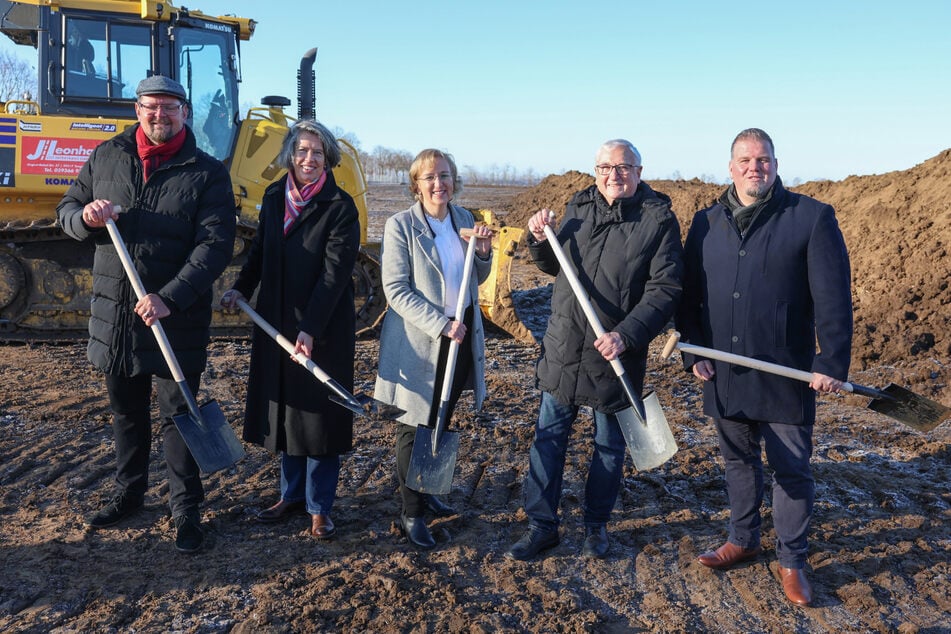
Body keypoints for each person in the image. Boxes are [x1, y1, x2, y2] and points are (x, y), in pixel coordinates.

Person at [56, 75, 236, 553]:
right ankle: (129, 492)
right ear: (137, 110)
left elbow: (214, 247)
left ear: (185, 112)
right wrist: (85, 219)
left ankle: (186, 509)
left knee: (181, 415)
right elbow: (68, 208)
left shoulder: (207, 171)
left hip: (173, 316)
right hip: (116, 313)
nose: (160, 115)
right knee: (125, 412)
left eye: (170, 108)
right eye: (151, 107)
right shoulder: (107, 156)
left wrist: (169, 297)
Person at [675, 128, 853, 606]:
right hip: (723, 370)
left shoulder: (810, 217)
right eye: (746, 160)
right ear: (730, 167)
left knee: (791, 469)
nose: (756, 167)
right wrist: (694, 353)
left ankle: (792, 561)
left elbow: (834, 299)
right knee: (738, 461)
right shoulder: (706, 222)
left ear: (775, 164)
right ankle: (743, 538)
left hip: (785, 371)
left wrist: (830, 362)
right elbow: (687, 297)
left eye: (764, 159)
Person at [505, 139, 684, 561]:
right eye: (605, 167)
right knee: (548, 439)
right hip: (566, 344)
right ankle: (541, 525)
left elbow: (665, 290)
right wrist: (538, 238)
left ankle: (595, 526)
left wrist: (627, 334)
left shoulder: (657, 221)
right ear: (595, 170)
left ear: (639, 172)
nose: (613, 175)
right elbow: (555, 264)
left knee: (609, 444)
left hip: (614, 352)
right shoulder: (579, 207)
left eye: (623, 167)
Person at [220, 119, 360, 540]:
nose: (309, 159)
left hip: (324, 328)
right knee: (286, 412)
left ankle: (320, 507)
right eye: (301, 151)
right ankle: (291, 495)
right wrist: (241, 288)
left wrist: (311, 328)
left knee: (320, 417)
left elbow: (335, 276)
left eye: (317, 153)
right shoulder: (273, 195)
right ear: (289, 155)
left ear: (328, 158)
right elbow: (260, 252)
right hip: (277, 321)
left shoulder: (339, 206)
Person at [373, 149, 493, 550]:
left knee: (443, 417)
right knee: (414, 425)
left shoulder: (463, 219)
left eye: (444, 176)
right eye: (429, 178)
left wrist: (482, 252)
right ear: (416, 185)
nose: (438, 184)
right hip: (421, 342)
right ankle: (412, 512)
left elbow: (475, 278)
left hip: (460, 338)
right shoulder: (400, 226)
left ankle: (429, 489)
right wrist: (441, 324)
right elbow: (396, 290)